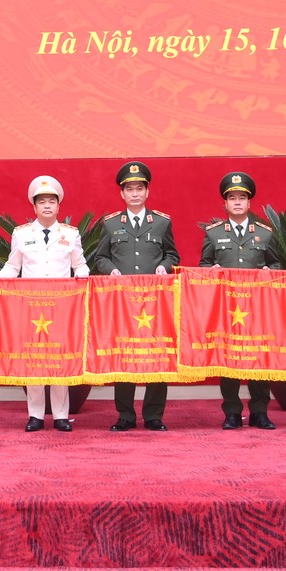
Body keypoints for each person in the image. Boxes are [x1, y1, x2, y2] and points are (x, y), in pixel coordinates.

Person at [0, 175, 90, 431]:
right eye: (42, 202)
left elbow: (80, 264)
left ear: (58, 206)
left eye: (51, 202)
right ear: (34, 206)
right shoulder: (21, 233)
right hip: (31, 306)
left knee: (60, 356)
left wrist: (83, 276)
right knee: (33, 357)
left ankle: (61, 415)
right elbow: (12, 266)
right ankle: (35, 415)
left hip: (62, 306)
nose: (47, 206)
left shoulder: (70, 234)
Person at [91, 161, 179, 431]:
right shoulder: (110, 224)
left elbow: (172, 254)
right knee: (124, 352)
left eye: (139, 188)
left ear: (147, 192)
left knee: (157, 353)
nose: (135, 194)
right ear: (122, 193)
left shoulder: (162, 222)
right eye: (130, 189)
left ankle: (154, 415)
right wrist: (112, 270)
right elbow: (100, 257)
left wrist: (165, 266)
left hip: (155, 301)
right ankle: (125, 415)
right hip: (122, 302)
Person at [199, 170, 279, 431]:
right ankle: (232, 412)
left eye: (241, 198)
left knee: (258, 356)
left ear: (249, 202)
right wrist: (211, 271)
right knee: (229, 357)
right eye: (232, 198)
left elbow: (276, 265)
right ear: (225, 203)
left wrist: (270, 272)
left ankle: (260, 411)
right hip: (226, 307)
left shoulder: (265, 233)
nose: (237, 202)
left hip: (257, 307)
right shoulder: (214, 234)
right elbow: (204, 265)